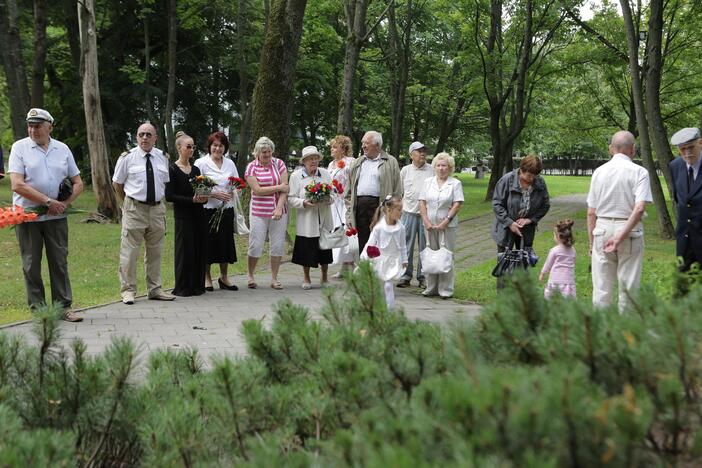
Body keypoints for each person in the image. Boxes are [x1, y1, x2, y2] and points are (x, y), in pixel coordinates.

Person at [8, 108, 84, 321]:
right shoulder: (19, 148)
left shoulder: (62, 149)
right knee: (31, 264)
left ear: (50, 126)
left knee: (59, 262)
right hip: (28, 216)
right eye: (30, 125)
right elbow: (17, 184)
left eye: (38, 125)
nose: (33, 130)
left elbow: (78, 183)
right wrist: (48, 201)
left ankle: (63, 307)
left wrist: (63, 204)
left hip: (56, 218)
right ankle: (39, 311)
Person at [587, 130, 652, 312]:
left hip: (602, 229)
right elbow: (639, 208)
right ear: (633, 149)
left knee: (601, 289)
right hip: (629, 230)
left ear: (611, 149)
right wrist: (620, 236)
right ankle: (626, 335)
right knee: (629, 289)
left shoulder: (598, 172)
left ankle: (601, 335)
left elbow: (591, 212)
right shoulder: (640, 172)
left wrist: (592, 243)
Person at [112, 122, 175, 305]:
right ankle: (128, 291)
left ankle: (155, 289)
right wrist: (125, 204)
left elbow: (163, 183)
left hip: (156, 209)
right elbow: (117, 184)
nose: (145, 138)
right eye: (141, 135)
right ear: (136, 137)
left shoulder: (162, 157)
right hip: (134, 209)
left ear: (155, 138)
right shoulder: (127, 158)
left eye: (149, 134)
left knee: (155, 251)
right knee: (130, 252)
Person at [491, 155, 551, 288]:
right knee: (504, 262)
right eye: (529, 175)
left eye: (535, 175)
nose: (532, 178)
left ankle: (521, 295)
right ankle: (503, 297)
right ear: (522, 170)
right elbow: (497, 204)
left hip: (526, 229)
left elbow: (545, 205)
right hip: (506, 228)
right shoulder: (507, 180)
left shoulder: (539, 183)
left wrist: (530, 220)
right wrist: (510, 223)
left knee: (524, 263)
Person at [194, 132, 239, 291]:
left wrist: (232, 192)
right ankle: (207, 277)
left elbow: (237, 183)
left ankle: (224, 277)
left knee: (224, 243)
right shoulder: (201, 163)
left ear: (225, 148)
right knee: (209, 244)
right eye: (215, 145)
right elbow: (197, 188)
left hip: (226, 209)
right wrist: (214, 193)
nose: (217, 148)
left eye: (221, 146)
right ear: (209, 147)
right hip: (208, 210)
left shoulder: (230, 164)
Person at [165, 131, 208, 296]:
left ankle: (197, 285)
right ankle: (183, 286)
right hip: (183, 216)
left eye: (193, 147)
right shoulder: (172, 169)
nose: (191, 150)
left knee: (198, 248)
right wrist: (191, 200)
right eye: (188, 147)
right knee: (184, 251)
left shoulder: (196, 169)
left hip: (199, 214)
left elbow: (202, 190)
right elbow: (170, 196)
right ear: (179, 148)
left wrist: (204, 196)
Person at [346, 130, 402, 254]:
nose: (363, 146)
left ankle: (380, 271)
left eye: (366, 143)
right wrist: (349, 213)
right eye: (362, 143)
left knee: (381, 240)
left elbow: (397, 190)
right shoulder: (357, 162)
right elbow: (349, 192)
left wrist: (394, 211)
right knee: (363, 241)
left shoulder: (390, 162)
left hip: (380, 207)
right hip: (360, 207)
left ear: (377, 145)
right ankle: (365, 270)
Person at [244, 136, 289, 289]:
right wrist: (278, 188)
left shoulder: (280, 164)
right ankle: (250, 275)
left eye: (269, 152)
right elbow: (257, 190)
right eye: (264, 153)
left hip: (279, 210)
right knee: (256, 244)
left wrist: (278, 207)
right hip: (258, 211)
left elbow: (286, 189)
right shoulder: (251, 167)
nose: (267, 156)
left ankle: (274, 278)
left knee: (277, 245)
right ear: (257, 152)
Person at [419, 153, 464, 298]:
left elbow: (457, 204)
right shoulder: (427, 182)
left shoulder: (455, 183)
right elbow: (422, 202)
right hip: (429, 225)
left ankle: (445, 290)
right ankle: (431, 287)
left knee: (446, 256)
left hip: (448, 226)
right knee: (430, 255)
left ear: (450, 168)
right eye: (438, 165)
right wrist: (425, 220)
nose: (441, 168)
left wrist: (446, 221)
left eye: (444, 165)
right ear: (434, 167)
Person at [288, 146, 334, 289]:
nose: (313, 161)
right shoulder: (296, 176)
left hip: (323, 217)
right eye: (310, 159)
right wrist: (303, 203)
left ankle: (324, 277)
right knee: (307, 249)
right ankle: (306, 278)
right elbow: (291, 199)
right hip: (307, 220)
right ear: (304, 161)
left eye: (315, 158)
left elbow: (333, 196)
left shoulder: (325, 174)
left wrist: (327, 199)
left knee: (325, 249)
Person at [397, 141, 434, 289]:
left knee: (426, 246)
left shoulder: (432, 170)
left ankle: (423, 276)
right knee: (406, 245)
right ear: (411, 154)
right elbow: (399, 192)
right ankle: (405, 275)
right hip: (408, 212)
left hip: (427, 214)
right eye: (419, 151)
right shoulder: (405, 170)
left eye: (424, 151)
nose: (422, 153)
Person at [361, 196, 408, 309]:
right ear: (389, 210)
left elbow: (403, 245)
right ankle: (375, 307)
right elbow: (370, 245)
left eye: (401, 210)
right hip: (379, 260)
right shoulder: (379, 228)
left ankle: (389, 311)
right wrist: (365, 258)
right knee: (378, 286)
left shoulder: (401, 228)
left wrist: (405, 259)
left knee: (388, 285)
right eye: (399, 210)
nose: (401, 212)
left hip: (393, 261)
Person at [669, 127, 702, 272]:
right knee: (685, 289)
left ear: (700, 143)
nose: (687, 153)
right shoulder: (675, 166)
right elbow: (679, 199)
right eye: (683, 149)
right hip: (684, 242)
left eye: (691, 147)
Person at [328, 135, 356, 277]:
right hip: (334, 203)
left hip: (345, 202)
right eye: (331, 146)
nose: (331, 149)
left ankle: (351, 265)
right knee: (337, 233)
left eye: (334, 147)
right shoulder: (331, 164)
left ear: (343, 149)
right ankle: (343, 267)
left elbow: (353, 182)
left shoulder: (350, 162)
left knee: (347, 233)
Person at [539, 219, 577, 299]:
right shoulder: (573, 250)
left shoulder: (555, 250)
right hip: (569, 281)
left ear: (558, 237)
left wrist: (542, 273)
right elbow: (573, 262)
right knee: (568, 302)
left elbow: (548, 263)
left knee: (552, 300)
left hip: (555, 280)